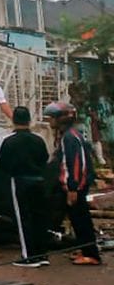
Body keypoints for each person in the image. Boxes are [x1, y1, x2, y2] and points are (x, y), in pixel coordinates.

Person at [43, 101, 101, 265]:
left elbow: (75, 164)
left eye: (51, 118)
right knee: (76, 220)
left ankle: (92, 255)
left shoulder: (70, 138)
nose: (49, 122)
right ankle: (85, 250)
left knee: (82, 220)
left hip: (75, 187)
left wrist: (73, 188)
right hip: (72, 186)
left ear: (60, 119)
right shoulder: (67, 135)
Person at [0, 106, 52, 267]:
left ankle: (28, 256)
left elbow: (1, 164)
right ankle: (42, 255)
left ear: (13, 120)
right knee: (39, 218)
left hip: (20, 181)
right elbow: (44, 159)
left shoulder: (9, 141)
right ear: (29, 121)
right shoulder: (39, 140)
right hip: (39, 181)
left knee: (23, 219)